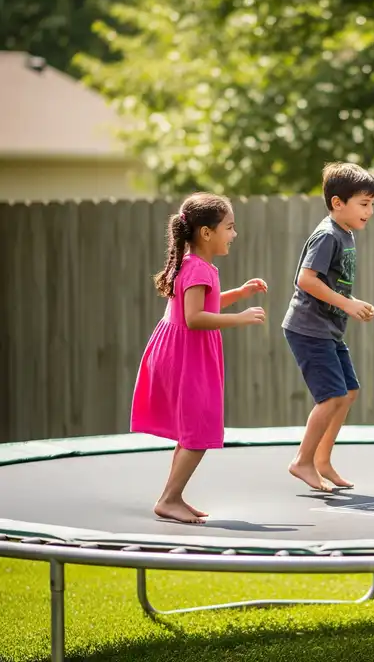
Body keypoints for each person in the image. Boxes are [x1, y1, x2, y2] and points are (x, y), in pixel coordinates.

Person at [131, 192, 268, 524]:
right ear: (207, 232)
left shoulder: (196, 266)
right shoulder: (198, 269)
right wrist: (242, 318)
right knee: (199, 429)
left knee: (193, 429)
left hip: (182, 350)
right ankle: (169, 498)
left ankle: (173, 496)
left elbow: (205, 304)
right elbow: (194, 318)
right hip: (187, 354)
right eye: (229, 228)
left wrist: (239, 293)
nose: (234, 235)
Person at [282, 161, 374, 492]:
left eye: (372, 204)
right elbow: (306, 279)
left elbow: (331, 283)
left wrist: (350, 303)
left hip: (328, 328)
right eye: (364, 204)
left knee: (349, 392)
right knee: (331, 396)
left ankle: (322, 460)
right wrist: (349, 304)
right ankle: (302, 461)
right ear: (338, 203)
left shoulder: (345, 233)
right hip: (309, 328)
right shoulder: (327, 235)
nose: (370, 211)